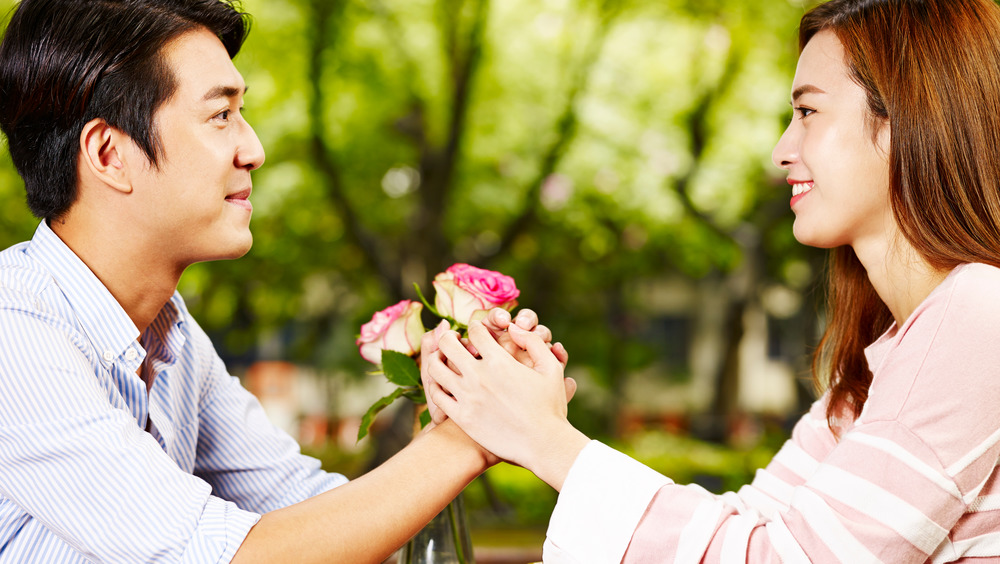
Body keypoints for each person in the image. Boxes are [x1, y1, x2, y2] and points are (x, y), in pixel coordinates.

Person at [423, 0, 1000, 561]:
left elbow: (785, 559)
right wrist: (515, 416)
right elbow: (751, 526)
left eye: (807, 113)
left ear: (906, 119)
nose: (782, 151)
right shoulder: (878, 374)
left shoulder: (979, 311)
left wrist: (545, 440)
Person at [0, 0, 565, 561]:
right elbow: (236, 557)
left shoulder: (172, 336)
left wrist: (462, 396)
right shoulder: (14, 327)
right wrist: (471, 433)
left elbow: (306, 513)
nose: (254, 149)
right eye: (221, 115)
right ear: (109, 153)